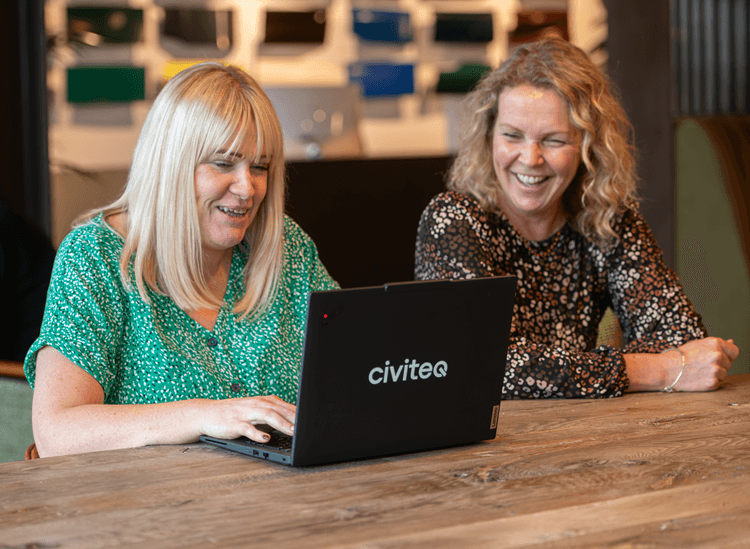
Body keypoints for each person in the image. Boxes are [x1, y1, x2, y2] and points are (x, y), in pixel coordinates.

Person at [24, 63, 338, 457]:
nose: (247, 188)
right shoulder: (96, 256)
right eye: (223, 163)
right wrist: (202, 415)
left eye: (260, 167)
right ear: (169, 163)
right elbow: (57, 433)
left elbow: (357, 367)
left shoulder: (285, 246)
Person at [415, 37, 738, 398]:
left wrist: (561, 370)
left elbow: (682, 337)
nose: (530, 158)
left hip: (585, 427)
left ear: (588, 144)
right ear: (490, 135)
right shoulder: (454, 219)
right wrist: (657, 369)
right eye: (512, 136)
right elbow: (481, 363)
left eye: (553, 140)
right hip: (486, 433)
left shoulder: (607, 219)